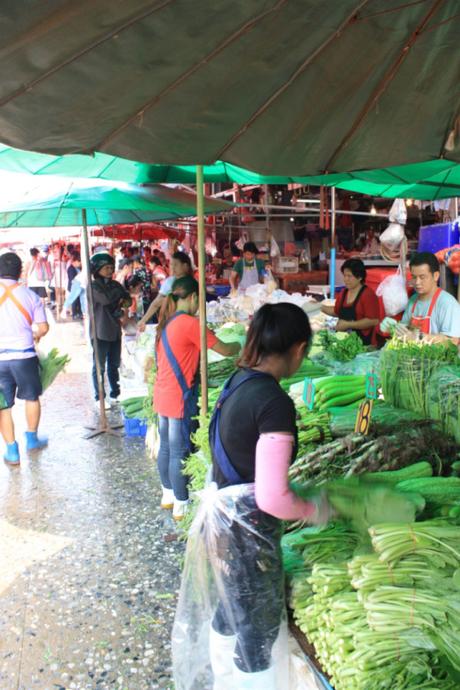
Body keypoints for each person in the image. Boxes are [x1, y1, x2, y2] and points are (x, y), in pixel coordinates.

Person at [171, 303, 331, 690]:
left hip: (225, 524)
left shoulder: (238, 382)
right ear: (298, 349)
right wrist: (317, 509)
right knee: (256, 634)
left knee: (230, 613)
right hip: (247, 534)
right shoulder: (274, 403)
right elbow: (273, 497)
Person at [153, 276, 241, 520]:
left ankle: (168, 495)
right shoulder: (191, 324)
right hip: (179, 396)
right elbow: (223, 349)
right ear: (193, 298)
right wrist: (240, 344)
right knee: (179, 449)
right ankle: (182, 505)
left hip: (162, 393)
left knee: (167, 447)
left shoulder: (168, 322)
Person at [0, 252, 50, 465]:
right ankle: (32, 439)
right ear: (20, 271)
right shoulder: (31, 296)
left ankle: (12, 451)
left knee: (3, 406)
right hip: (24, 356)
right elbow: (43, 327)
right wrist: (35, 335)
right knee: (31, 397)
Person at [383, 252, 460, 343]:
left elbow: (453, 341)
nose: (417, 282)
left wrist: (418, 338)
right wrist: (395, 327)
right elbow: (406, 331)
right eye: (414, 277)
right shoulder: (413, 300)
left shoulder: (448, 304)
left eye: (422, 277)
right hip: (414, 356)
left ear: (436, 276)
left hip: (437, 357)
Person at [90, 253, 131, 410]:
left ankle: (115, 393)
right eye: (106, 268)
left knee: (114, 364)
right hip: (99, 330)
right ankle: (99, 396)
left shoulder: (115, 284)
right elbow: (106, 299)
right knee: (99, 366)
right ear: (97, 269)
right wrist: (119, 294)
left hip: (115, 328)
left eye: (111, 267)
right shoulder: (93, 286)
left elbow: (128, 299)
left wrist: (121, 298)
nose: (110, 270)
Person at [321, 258, 380, 345]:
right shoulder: (343, 293)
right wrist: (319, 307)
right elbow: (336, 311)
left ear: (359, 277)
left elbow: (373, 321)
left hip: (363, 344)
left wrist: (349, 324)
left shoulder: (368, 295)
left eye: (349, 276)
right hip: (343, 342)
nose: (346, 279)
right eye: (344, 276)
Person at [138, 251, 192, 331]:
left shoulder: (192, 281)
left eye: (176, 265)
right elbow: (156, 304)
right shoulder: (170, 282)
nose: (172, 268)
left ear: (185, 266)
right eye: (171, 265)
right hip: (175, 324)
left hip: (186, 323)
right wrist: (143, 320)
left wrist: (143, 320)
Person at [65, 252, 82, 320]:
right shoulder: (71, 268)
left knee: (78, 301)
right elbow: (72, 279)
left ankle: (79, 313)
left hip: (78, 286)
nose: (79, 264)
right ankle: (75, 314)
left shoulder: (78, 268)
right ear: (75, 261)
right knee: (74, 301)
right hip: (73, 287)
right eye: (79, 262)